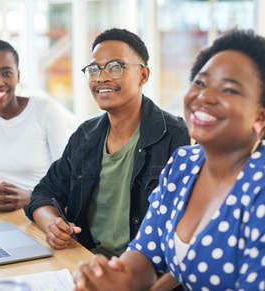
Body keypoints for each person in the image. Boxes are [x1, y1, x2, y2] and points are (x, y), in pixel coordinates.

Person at [73, 30, 265, 290]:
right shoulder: (184, 165)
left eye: (229, 90)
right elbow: (146, 253)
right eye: (200, 83)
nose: (205, 97)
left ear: (261, 117)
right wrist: (115, 277)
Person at [24, 28, 190, 257]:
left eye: (115, 67)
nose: (101, 78)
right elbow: (43, 194)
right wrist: (51, 224)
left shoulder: (174, 135)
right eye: (94, 69)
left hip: (141, 272)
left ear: (143, 75)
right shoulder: (85, 135)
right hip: (86, 260)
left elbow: (183, 230)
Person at [0, 39, 76, 212]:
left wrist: (31, 197)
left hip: (49, 210)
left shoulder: (45, 110)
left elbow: (68, 182)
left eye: (6, 73)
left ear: (18, 75)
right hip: (9, 212)